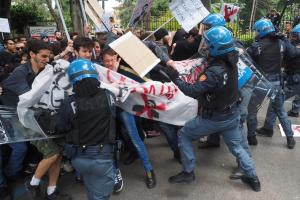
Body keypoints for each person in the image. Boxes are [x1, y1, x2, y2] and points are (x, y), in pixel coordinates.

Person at [163, 26, 261, 192]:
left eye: (208, 45)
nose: (205, 48)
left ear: (216, 48)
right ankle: (253, 178)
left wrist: (175, 78)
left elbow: (192, 91)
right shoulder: (233, 58)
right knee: (237, 148)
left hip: (215, 118)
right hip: (232, 114)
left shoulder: (214, 72)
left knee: (184, 134)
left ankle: (188, 171)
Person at [1, 39, 71, 200]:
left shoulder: (44, 66)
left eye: (49, 57)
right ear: (32, 55)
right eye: (44, 56)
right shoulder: (20, 72)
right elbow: (30, 98)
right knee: (52, 153)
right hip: (23, 118)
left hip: (43, 117)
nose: (47, 60)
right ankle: (32, 183)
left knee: (58, 154)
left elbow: (53, 62)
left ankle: (51, 191)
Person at [59, 59, 116, 200]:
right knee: (100, 195)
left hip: (79, 158)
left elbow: (60, 127)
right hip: (102, 157)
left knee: (91, 188)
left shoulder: (69, 102)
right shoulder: (109, 96)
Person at [247, 18, 300, 149]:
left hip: (261, 82)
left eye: (256, 31)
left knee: (252, 111)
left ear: (262, 31)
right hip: (276, 82)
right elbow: (293, 53)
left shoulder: (256, 46)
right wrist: (284, 39)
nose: (255, 33)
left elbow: (247, 61)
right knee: (280, 111)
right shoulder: (282, 43)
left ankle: (252, 137)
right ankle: (290, 138)